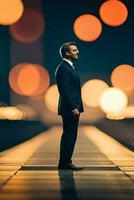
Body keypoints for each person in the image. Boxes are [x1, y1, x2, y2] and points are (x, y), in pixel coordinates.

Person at [55, 42, 84, 170]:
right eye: (74, 50)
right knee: (69, 135)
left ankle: (66, 162)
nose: (77, 52)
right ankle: (65, 163)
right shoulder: (64, 68)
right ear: (67, 53)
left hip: (72, 108)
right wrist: (73, 107)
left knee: (71, 135)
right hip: (70, 109)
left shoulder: (68, 67)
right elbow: (65, 90)